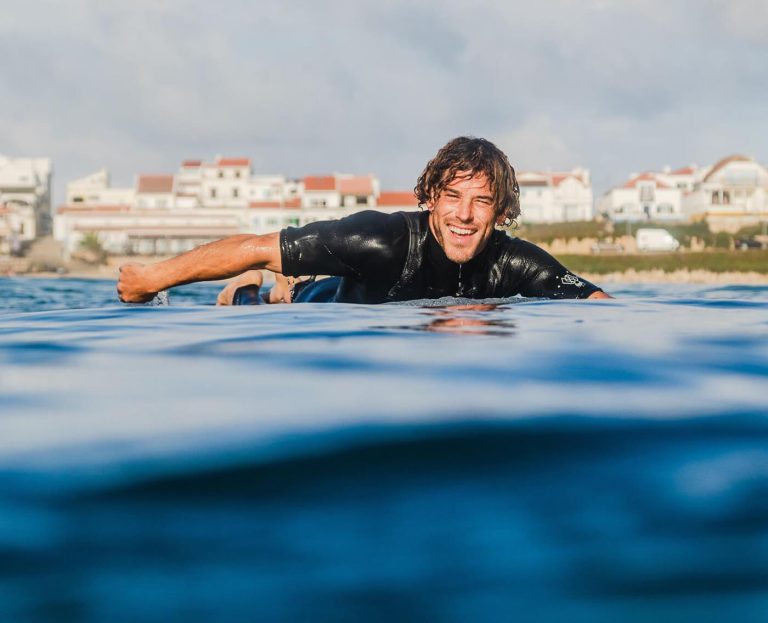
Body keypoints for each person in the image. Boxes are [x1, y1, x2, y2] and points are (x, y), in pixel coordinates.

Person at [118, 137, 610, 304]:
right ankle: (256, 290)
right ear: (431, 199)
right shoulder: (382, 239)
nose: (464, 214)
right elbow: (257, 245)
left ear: (500, 212)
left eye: (481, 202)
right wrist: (150, 279)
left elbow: (594, 301)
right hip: (321, 306)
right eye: (453, 197)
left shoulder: (512, 261)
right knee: (275, 294)